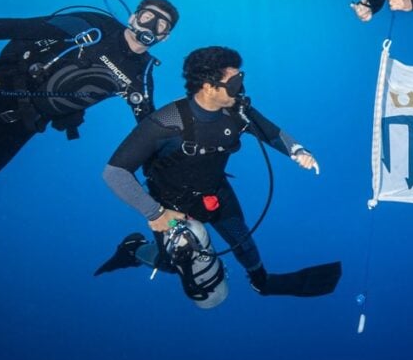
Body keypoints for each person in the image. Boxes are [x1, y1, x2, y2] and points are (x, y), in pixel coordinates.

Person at [95, 46, 341, 305]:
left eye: (241, 79)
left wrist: (297, 150)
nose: (241, 88)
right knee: (177, 265)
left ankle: (261, 282)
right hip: (171, 206)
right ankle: (133, 250)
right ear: (208, 87)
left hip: (216, 192)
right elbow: (114, 173)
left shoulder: (237, 111)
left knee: (242, 241)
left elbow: (270, 132)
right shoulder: (166, 121)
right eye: (234, 83)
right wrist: (155, 213)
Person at [0, 0, 178, 195]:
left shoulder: (140, 75)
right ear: (133, 17)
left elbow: (148, 127)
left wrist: (163, 170)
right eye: (148, 16)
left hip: (21, 121)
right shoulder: (92, 27)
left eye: (161, 25)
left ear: (165, 37)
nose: (150, 26)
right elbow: (18, 27)